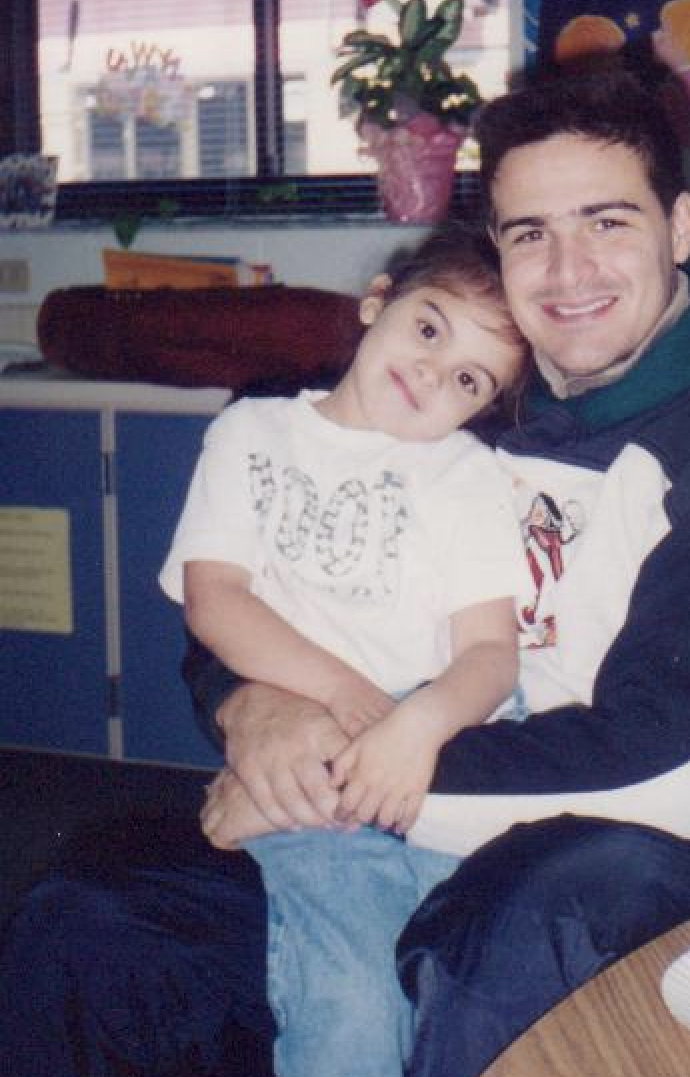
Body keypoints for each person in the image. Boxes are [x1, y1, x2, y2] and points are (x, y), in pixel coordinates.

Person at [0, 71, 690, 1077]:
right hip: (416, 807)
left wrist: (318, 774)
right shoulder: (481, 392)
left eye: (606, 223)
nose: (566, 272)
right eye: (530, 234)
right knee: (97, 910)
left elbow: (662, 775)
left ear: (676, 228)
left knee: (518, 921)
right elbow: (291, 559)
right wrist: (248, 701)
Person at [164, 228, 530, 847]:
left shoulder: (469, 475)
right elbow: (215, 600)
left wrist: (417, 723)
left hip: (426, 717)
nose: (432, 372)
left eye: (469, 381)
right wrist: (341, 694)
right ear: (377, 301)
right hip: (302, 703)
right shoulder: (251, 432)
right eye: (429, 329)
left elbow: (491, 654)